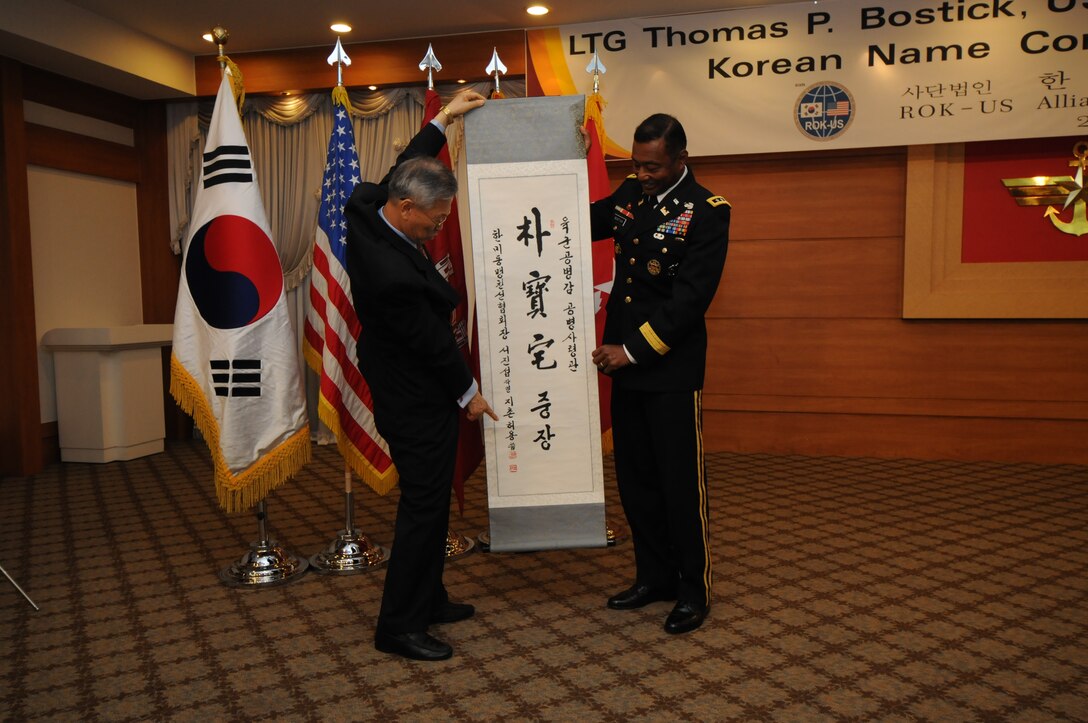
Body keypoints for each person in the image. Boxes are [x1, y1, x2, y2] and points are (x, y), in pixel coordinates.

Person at [344, 90, 498, 661]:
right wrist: (470, 395)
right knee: (425, 505)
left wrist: (443, 119)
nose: (440, 227)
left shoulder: (370, 208)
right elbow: (434, 345)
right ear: (407, 209)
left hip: (406, 374)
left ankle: (430, 597)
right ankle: (399, 626)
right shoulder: (391, 274)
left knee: (429, 502)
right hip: (412, 393)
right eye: (435, 219)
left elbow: (402, 164)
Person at [588, 113, 730, 635]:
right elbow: (588, 220)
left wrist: (631, 350)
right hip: (623, 366)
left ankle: (693, 589)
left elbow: (690, 301)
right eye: (636, 164)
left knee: (679, 484)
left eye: (653, 167)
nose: (641, 174)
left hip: (667, 367)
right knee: (636, 480)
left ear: (680, 160)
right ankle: (654, 577)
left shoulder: (708, 212)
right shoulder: (632, 193)